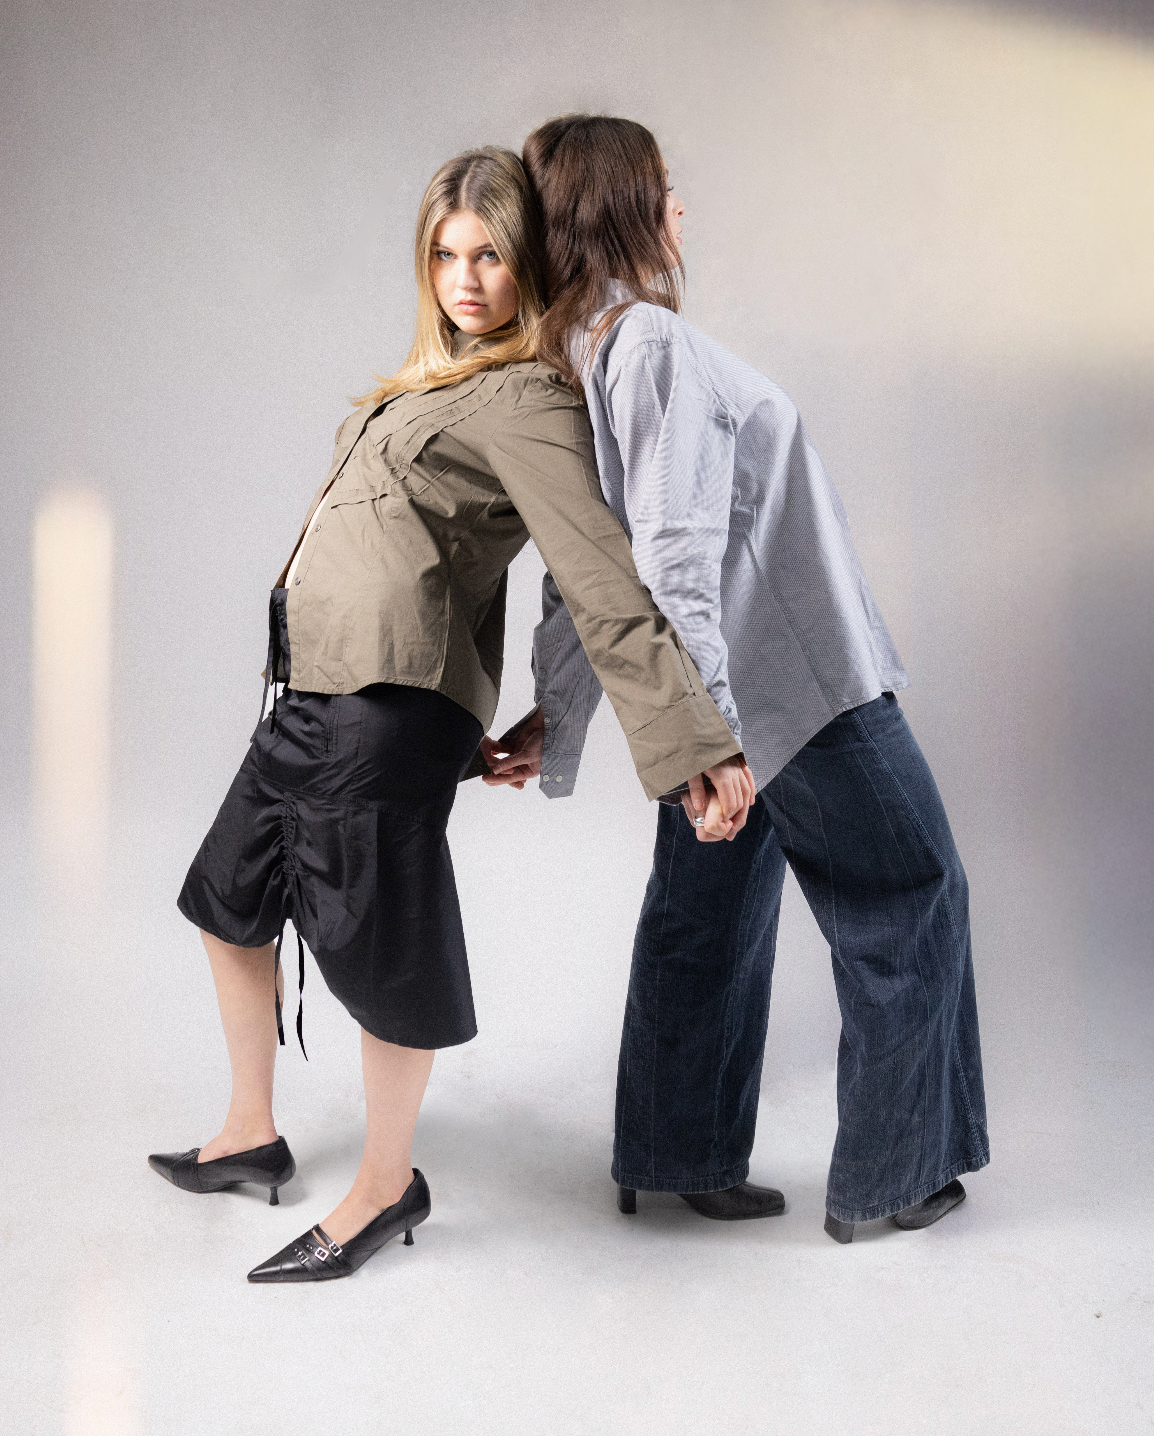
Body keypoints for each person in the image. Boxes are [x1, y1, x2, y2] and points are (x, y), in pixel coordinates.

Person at [149, 146, 751, 1284]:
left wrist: (690, 745)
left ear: (530, 265)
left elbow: (602, 574)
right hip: (317, 691)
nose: (464, 277)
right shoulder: (428, 383)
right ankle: (249, 1131)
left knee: (385, 956)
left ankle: (384, 1187)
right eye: (444, 253)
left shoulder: (527, 396)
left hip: (377, 712)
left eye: (489, 255)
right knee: (227, 900)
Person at [481, 115, 989, 1240]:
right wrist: (710, 736)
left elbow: (588, 569)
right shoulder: (649, 345)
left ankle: (674, 1157)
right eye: (665, 188)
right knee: (909, 894)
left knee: (703, 915)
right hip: (791, 687)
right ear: (623, 206)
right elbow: (665, 556)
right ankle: (892, 1177)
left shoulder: (578, 358)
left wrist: (558, 722)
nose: (680, 208)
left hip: (719, 702)